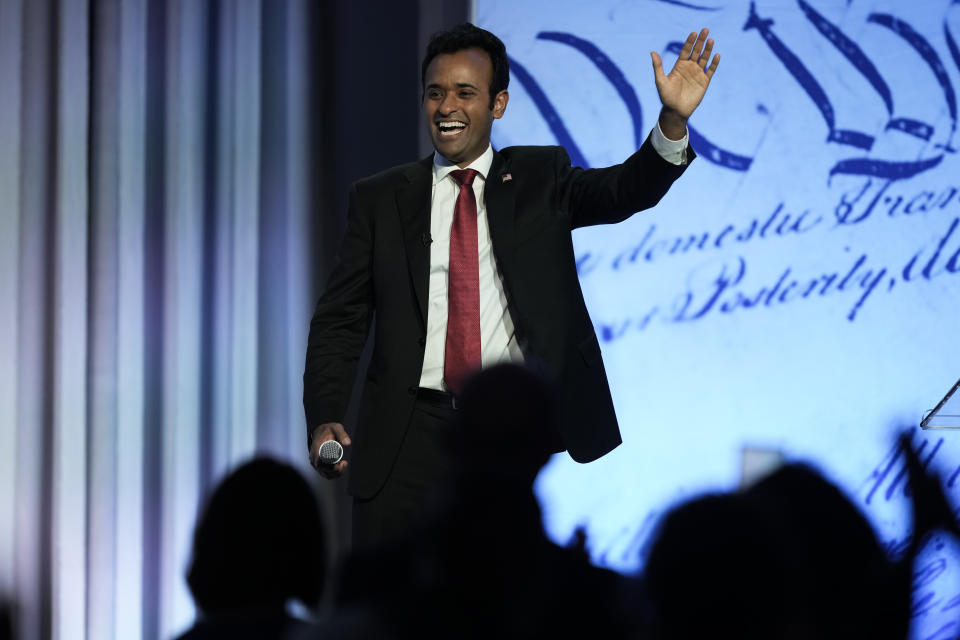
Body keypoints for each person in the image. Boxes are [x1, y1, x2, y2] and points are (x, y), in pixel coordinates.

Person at [303, 22, 720, 549]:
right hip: (404, 435)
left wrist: (672, 121)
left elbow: (624, 190)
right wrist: (324, 417)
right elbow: (340, 321)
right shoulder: (381, 199)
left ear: (498, 104)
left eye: (465, 93)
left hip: (503, 432)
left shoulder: (539, 177)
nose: (446, 106)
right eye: (435, 93)